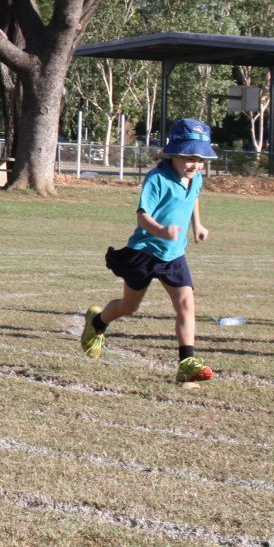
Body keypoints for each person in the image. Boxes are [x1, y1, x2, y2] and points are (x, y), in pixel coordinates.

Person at [80, 118, 216, 384]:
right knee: (130, 306)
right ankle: (97, 323)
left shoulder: (196, 178)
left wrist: (197, 225)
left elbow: (194, 198)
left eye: (201, 159)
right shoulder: (157, 179)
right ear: (174, 153)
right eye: (190, 157)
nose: (196, 165)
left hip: (174, 254)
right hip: (144, 252)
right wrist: (161, 231)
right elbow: (143, 216)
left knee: (187, 305)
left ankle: (186, 362)